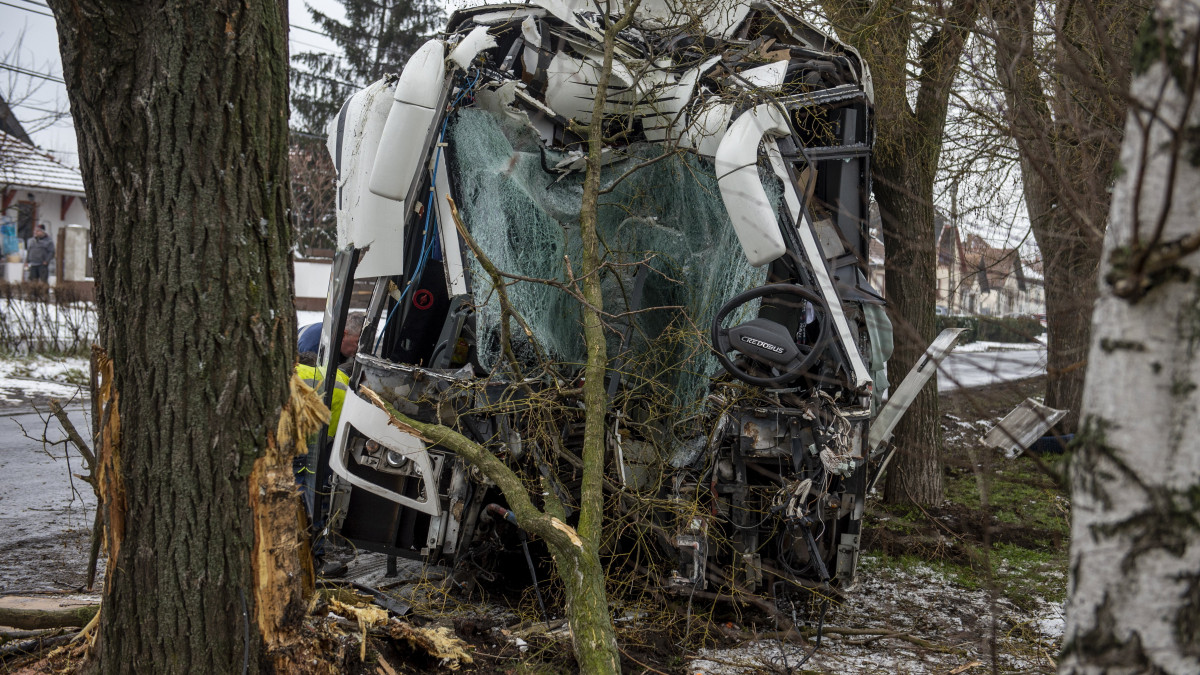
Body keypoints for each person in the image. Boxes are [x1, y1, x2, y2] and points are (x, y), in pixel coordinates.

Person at [297, 311, 365, 366]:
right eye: (358, 342)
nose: (360, 349)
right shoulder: (316, 347)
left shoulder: (336, 331)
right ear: (344, 335)